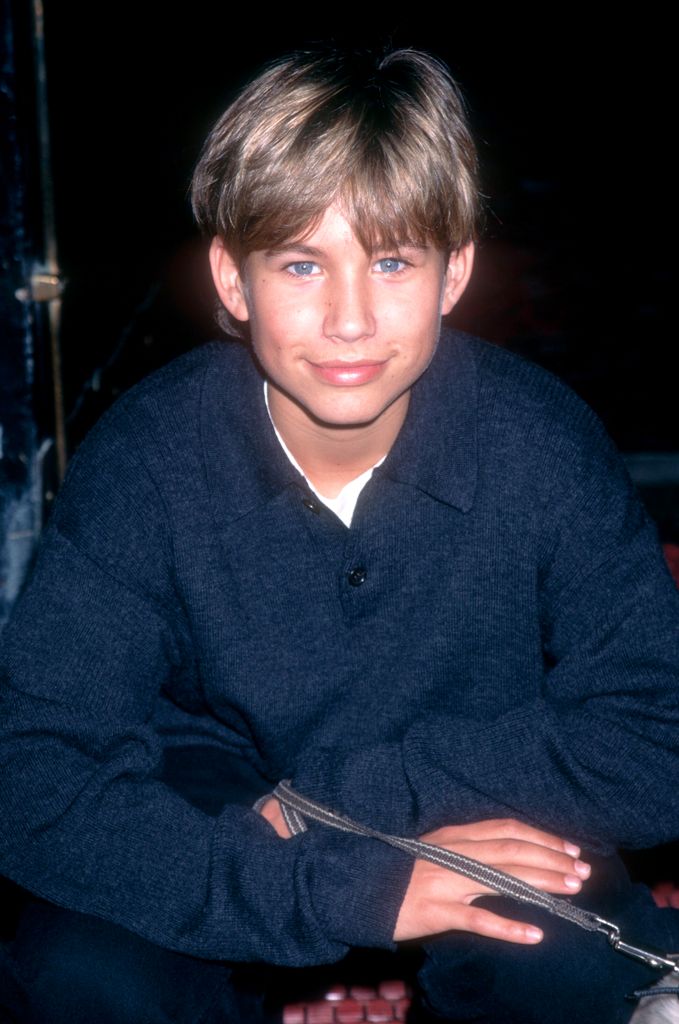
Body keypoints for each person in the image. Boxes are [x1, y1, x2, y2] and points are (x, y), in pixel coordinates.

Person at [1, 46, 678, 1024]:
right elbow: (33, 770)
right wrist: (323, 880)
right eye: (303, 263)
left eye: (392, 259)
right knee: (82, 977)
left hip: (466, 807)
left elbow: (657, 730)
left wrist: (352, 805)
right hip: (220, 823)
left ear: (455, 273)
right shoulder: (150, 457)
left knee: (562, 973)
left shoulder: (538, 441)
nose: (350, 318)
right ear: (233, 281)